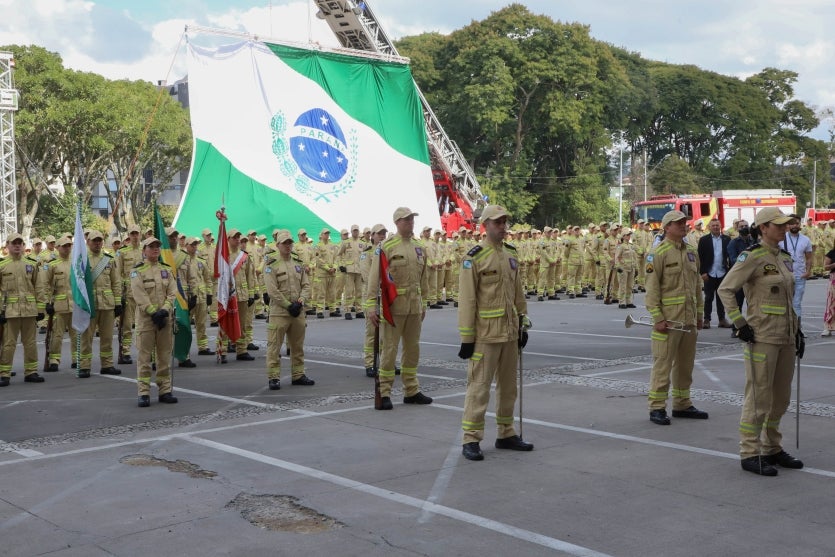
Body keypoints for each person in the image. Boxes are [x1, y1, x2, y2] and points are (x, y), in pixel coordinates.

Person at [717, 207, 804, 476]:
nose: (783, 228)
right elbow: (726, 289)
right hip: (762, 336)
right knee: (759, 397)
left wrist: (798, 331)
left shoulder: (785, 257)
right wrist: (739, 323)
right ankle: (750, 452)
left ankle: (772, 448)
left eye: (785, 224)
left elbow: (787, 299)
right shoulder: (751, 257)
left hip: (786, 337)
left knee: (781, 398)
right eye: (777, 225)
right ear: (763, 227)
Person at [457, 205, 532, 460]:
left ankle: (506, 432)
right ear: (485, 225)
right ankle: (471, 438)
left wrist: (523, 321)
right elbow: (467, 300)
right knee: (479, 388)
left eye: (505, 222)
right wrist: (467, 338)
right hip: (485, 336)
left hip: (510, 332)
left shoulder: (511, 254)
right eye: (498, 222)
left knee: (509, 388)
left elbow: (517, 292)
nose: (503, 227)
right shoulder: (474, 257)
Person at [365, 207, 433, 410]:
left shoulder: (419, 247)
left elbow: (424, 279)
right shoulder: (386, 247)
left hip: (414, 307)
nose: (410, 222)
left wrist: (424, 303)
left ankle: (411, 390)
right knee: (389, 351)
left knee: (413, 349)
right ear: (397, 222)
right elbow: (374, 278)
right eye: (406, 220)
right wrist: (371, 306)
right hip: (394, 308)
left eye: (412, 219)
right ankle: (384, 392)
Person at [645, 210, 707, 424]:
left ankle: (682, 403)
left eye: (684, 222)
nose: (683, 225)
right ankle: (657, 407)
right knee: (663, 364)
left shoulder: (691, 251)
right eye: (678, 223)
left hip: (688, 319)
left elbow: (697, 285)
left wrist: (700, 314)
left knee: (685, 364)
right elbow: (652, 289)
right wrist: (657, 317)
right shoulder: (658, 253)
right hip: (668, 321)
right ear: (666, 227)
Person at [131, 236, 178, 407]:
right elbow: (138, 294)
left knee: (164, 356)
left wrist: (165, 310)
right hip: (147, 321)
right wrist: (153, 312)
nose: (155, 249)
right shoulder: (138, 271)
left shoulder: (166, 269)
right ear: (144, 250)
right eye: (151, 247)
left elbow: (172, 292)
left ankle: (165, 390)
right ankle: (143, 392)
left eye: (157, 246)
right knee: (144, 358)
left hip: (164, 319)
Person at [0, 233, 45, 385]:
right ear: (7, 245)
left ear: (23, 245)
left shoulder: (31, 263)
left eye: (20, 243)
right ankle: (4, 374)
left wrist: (40, 309)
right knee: (8, 343)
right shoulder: (2, 265)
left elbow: (39, 287)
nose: (17, 245)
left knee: (30, 342)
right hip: (10, 312)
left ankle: (31, 372)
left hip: (29, 310)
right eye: (14, 243)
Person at [79, 230, 122, 377]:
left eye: (99, 240)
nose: (97, 243)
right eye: (94, 240)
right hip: (89, 305)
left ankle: (107, 364)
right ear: (88, 242)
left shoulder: (109, 259)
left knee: (107, 337)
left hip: (107, 304)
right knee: (86, 337)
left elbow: (116, 282)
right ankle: (84, 366)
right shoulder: (82, 259)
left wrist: (118, 303)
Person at [37, 235, 79, 371]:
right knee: (57, 335)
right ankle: (54, 360)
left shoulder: (76, 263)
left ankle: (76, 359)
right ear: (57, 248)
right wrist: (47, 303)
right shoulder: (51, 265)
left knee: (76, 334)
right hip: (58, 306)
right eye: (64, 246)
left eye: (69, 245)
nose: (67, 248)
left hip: (75, 305)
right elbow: (45, 285)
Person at [116, 225, 143, 364]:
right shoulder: (122, 252)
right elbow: (117, 274)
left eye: (136, 233)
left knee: (144, 325)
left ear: (140, 234)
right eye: (132, 234)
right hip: (129, 294)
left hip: (144, 293)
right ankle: (125, 351)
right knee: (127, 325)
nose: (134, 236)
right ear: (129, 235)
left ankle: (144, 350)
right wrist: (120, 294)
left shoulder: (146, 250)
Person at [697, 218, 731, 328]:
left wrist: (729, 271)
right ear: (709, 227)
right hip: (709, 273)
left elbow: (729, 257)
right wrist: (702, 272)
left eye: (717, 225)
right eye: (713, 225)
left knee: (721, 297)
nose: (716, 227)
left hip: (722, 272)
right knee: (708, 298)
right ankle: (706, 320)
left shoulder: (727, 239)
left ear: (720, 226)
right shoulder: (704, 240)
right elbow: (699, 258)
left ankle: (722, 319)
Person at [778, 215, 812, 324]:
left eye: (797, 223)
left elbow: (809, 257)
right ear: (788, 225)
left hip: (799, 276)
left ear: (800, 224)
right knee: (784, 303)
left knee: (796, 303)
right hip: (784, 275)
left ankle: (797, 329)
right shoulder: (781, 238)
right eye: (792, 223)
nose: (795, 225)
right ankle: (786, 328)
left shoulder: (805, 240)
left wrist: (807, 272)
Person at [614, 229, 638, 309]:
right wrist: (618, 267)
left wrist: (636, 268)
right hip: (623, 268)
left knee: (630, 286)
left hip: (631, 268)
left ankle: (629, 301)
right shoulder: (621, 246)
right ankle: (622, 302)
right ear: (623, 236)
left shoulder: (631, 246)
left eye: (629, 235)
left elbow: (634, 258)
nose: (629, 236)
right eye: (627, 235)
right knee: (623, 286)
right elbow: (617, 257)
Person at [821, 245, 835, 336]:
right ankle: (828, 327)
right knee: (831, 304)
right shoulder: (832, 253)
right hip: (834, 279)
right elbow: (825, 267)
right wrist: (834, 265)